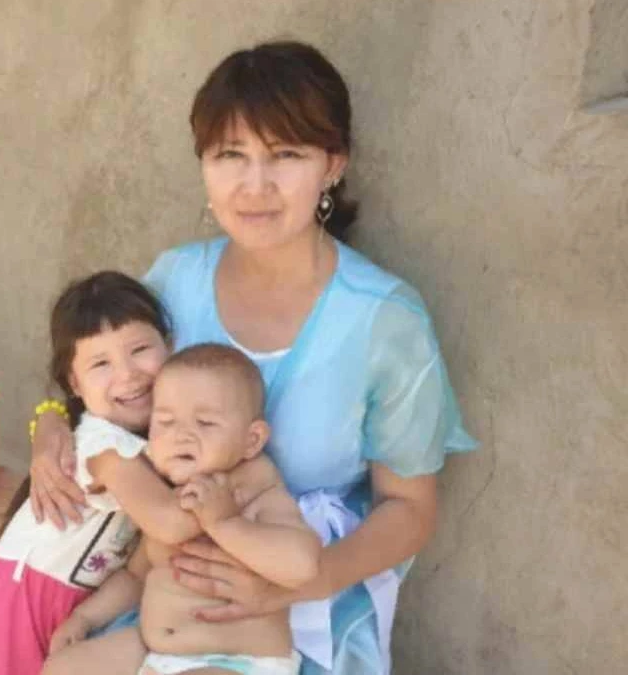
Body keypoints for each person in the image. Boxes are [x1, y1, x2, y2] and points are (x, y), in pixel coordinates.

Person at [28, 41, 478, 674]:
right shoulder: (175, 280)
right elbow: (106, 391)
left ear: (333, 165)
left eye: (286, 155)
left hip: (301, 613)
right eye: (230, 155)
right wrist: (50, 422)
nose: (255, 185)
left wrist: (297, 585)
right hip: (167, 591)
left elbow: (409, 508)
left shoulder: (386, 320)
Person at [0, 270, 193, 674]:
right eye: (101, 363)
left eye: (139, 349)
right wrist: (233, 492)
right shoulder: (104, 447)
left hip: (66, 607)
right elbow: (169, 524)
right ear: (74, 383)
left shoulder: (145, 442)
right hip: (16, 611)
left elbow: (137, 572)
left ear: (169, 346)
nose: (127, 374)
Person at [44, 343, 319, 675]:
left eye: (205, 423)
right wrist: (85, 618)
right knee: (65, 668)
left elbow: (303, 566)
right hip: (157, 653)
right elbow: (136, 576)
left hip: (236, 662)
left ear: (252, 440)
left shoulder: (257, 490)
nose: (181, 436)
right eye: (165, 422)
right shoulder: (169, 500)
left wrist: (227, 523)